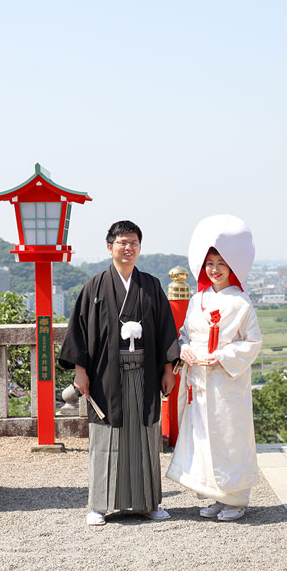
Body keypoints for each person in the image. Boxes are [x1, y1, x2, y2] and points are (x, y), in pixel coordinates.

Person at [59, 220, 180, 526]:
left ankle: (149, 503)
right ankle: (100, 504)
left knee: (145, 436)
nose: (128, 248)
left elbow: (166, 330)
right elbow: (80, 333)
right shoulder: (95, 287)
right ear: (109, 246)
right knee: (105, 437)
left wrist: (168, 370)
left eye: (134, 243)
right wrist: (80, 371)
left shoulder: (151, 286)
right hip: (105, 376)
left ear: (140, 247)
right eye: (122, 243)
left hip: (144, 373)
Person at [166, 214, 261, 521]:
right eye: (210, 264)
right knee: (203, 437)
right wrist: (186, 351)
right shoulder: (197, 300)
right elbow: (184, 336)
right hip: (200, 382)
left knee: (230, 436)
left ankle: (236, 498)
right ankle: (215, 495)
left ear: (231, 266)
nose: (215, 270)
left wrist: (222, 356)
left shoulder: (242, 304)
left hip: (227, 382)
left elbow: (253, 342)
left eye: (221, 263)